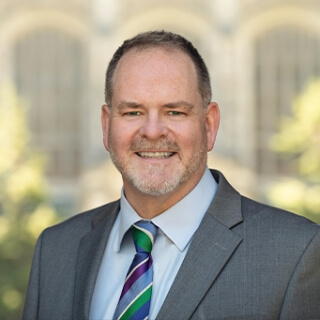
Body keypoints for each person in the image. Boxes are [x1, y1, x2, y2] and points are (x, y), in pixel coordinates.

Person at [22, 30, 320, 320]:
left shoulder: (295, 254)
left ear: (209, 125)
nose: (152, 131)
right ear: (106, 126)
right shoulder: (55, 250)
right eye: (132, 112)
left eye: (174, 112)